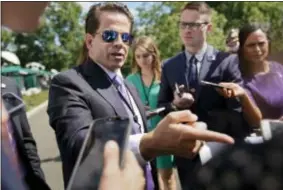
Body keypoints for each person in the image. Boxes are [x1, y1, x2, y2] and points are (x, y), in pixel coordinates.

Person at [47, 2, 235, 189]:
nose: (119, 43)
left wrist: (175, 109)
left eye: (125, 37)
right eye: (110, 35)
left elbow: (143, 116)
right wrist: (150, 143)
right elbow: (79, 145)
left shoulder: (128, 86)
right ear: (89, 41)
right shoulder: (68, 84)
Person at [157, 2, 249, 189]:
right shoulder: (169, 65)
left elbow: (238, 112)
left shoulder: (227, 62)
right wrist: (175, 104)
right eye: (183, 24)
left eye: (194, 25)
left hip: (222, 154)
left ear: (208, 27)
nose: (187, 30)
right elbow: (162, 106)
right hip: (186, 155)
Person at [126, 36, 176, 190]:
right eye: (138, 56)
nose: (142, 60)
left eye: (146, 55)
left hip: (164, 131)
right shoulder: (129, 80)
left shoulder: (165, 77)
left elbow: (174, 102)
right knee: (145, 179)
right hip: (141, 136)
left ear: (154, 54)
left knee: (166, 177)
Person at [218, 24, 283, 123]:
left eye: (261, 44)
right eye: (251, 45)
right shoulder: (238, 78)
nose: (257, 50)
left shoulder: (278, 68)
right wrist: (243, 96)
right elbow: (255, 122)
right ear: (242, 48)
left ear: (268, 43)